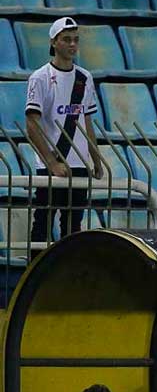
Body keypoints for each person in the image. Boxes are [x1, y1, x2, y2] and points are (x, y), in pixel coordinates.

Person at [24, 17, 102, 244]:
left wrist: (95, 160)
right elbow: (32, 125)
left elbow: (86, 122)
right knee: (43, 223)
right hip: (52, 164)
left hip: (78, 163)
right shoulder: (40, 77)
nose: (72, 45)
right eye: (67, 39)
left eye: (75, 40)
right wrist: (51, 163)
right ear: (54, 42)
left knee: (73, 226)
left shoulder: (85, 77)